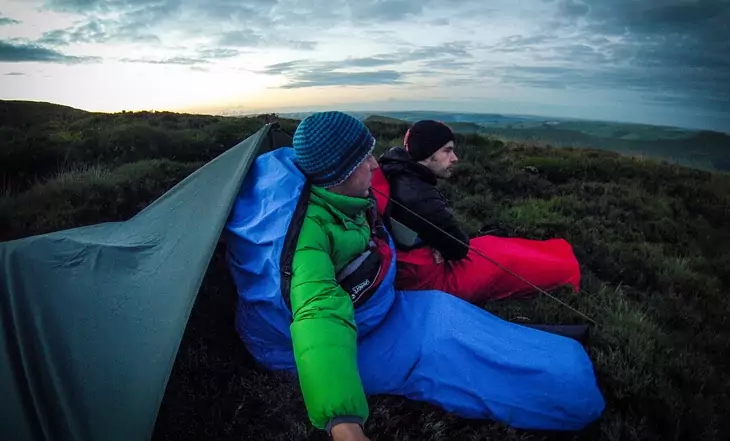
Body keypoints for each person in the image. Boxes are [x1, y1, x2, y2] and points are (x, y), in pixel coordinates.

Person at [224, 111, 605, 441]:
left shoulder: (335, 196)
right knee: (563, 388)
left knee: (443, 316)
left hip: (379, 314)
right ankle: (568, 393)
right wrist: (343, 422)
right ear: (339, 172)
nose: (375, 166)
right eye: (364, 159)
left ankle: (559, 359)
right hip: (300, 351)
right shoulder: (307, 243)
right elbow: (318, 317)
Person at [376, 119, 582, 304]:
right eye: (447, 151)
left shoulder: (397, 171)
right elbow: (458, 249)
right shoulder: (421, 196)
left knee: (490, 244)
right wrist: (439, 247)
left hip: (411, 268)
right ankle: (566, 271)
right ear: (427, 154)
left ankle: (557, 257)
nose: (455, 158)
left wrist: (437, 245)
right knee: (503, 262)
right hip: (429, 283)